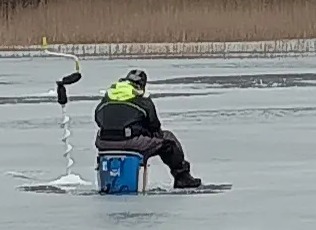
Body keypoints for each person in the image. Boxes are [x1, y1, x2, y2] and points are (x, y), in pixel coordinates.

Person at [57, 66, 205, 189]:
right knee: (168, 141)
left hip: (104, 142)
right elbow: (155, 126)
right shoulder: (142, 100)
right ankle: (182, 178)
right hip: (130, 143)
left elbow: (97, 118)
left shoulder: (107, 97)